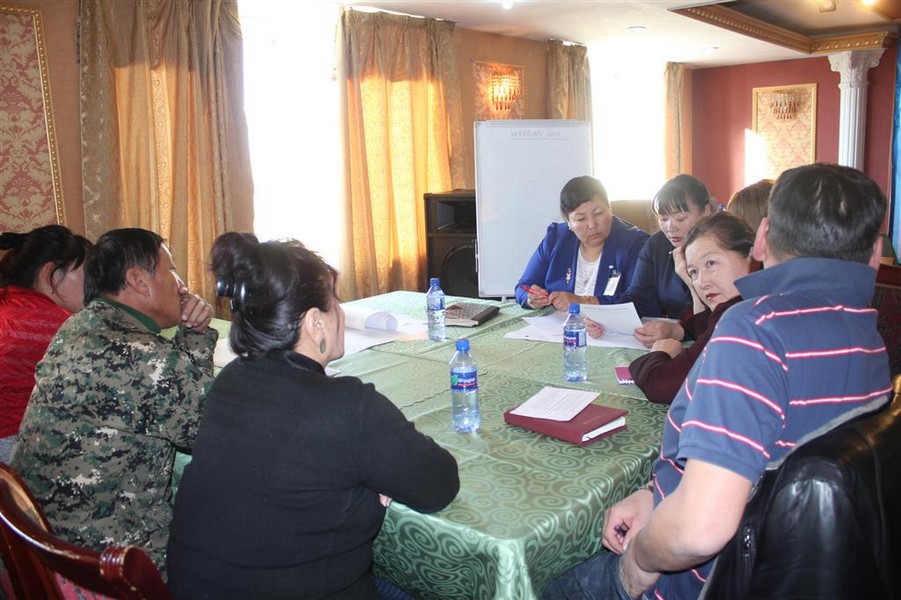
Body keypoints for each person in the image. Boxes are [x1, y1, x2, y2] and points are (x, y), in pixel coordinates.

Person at [542, 163, 891, 600]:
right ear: (874, 254)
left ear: (762, 238)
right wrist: (653, 494)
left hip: (709, 579)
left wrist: (639, 564)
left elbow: (700, 529)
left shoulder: (755, 332)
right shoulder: (870, 334)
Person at [166, 233, 460, 599]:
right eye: (336, 301)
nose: (341, 312)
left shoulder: (231, 380)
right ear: (315, 323)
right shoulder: (347, 406)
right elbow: (439, 485)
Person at [11, 228, 216, 568]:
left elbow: (174, 397)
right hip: (105, 563)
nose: (181, 285)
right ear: (138, 281)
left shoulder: (76, 327)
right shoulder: (141, 353)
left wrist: (193, 333)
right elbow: (212, 430)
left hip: (41, 544)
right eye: (171, 270)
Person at [626, 212, 756, 404]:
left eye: (711, 263)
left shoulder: (739, 315)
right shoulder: (752, 300)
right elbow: (706, 321)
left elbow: (662, 385)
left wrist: (659, 354)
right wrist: (679, 330)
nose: (701, 282)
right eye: (693, 272)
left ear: (751, 255)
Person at [0, 226, 92, 463]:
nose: (94, 285)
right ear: (50, 272)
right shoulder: (57, 324)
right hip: (15, 450)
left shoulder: (8, 305)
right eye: (87, 272)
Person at [516, 175, 648, 311]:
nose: (592, 224)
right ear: (568, 222)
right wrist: (531, 299)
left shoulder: (636, 244)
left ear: (610, 208)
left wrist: (582, 301)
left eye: (599, 213)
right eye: (580, 219)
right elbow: (523, 287)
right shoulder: (555, 239)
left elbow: (639, 302)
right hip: (559, 323)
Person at [619, 174, 713, 321]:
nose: (670, 227)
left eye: (680, 218)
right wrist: (610, 318)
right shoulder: (657, 245)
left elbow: (718, 311)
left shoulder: (720, 248)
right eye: (663, 218)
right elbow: (638, 297)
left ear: (705, 211)